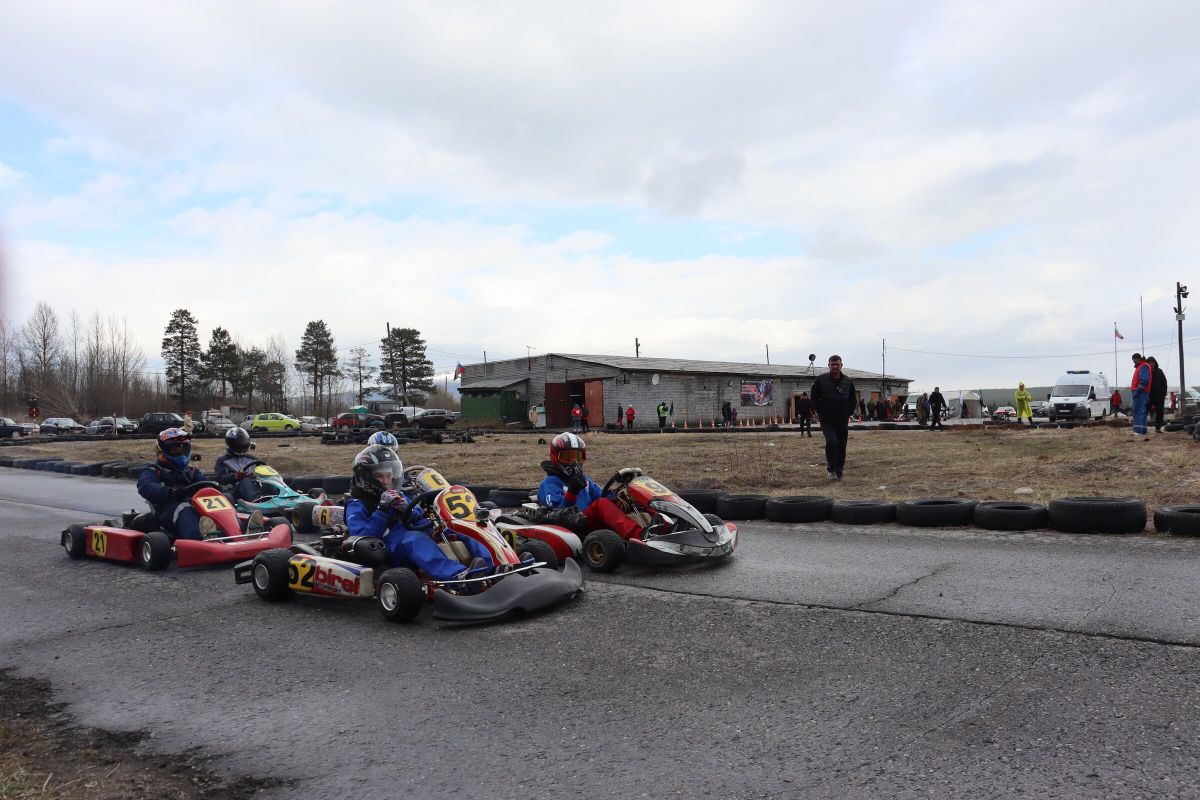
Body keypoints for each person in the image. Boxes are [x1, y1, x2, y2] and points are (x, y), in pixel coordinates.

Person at [344, 445, 492, 580]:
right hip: (389, 549)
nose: (386, 481)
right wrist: (382, 510)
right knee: (414, 539)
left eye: (389, 475)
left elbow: (419, 517)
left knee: (458, 526)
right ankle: (459, 577)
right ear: (366, 478)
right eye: (379, 476)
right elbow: (360, 538)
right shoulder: (357, 504)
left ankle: (492, 566)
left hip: (414, 534)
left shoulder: (398, 495)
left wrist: (412, 512)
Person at [537, 432, 642, 540]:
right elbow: (557, 514)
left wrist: (620, 494)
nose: (574, 462)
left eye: (578, 457)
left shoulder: (585, 481)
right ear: (555, 457)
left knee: (634, 498)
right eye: (568, 457)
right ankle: (639, 536)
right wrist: (572, 492)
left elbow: (603, 496)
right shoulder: (550, 483)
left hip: (587, 522)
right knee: (602, 504)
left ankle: (651, 530)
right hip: (571, 526)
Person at [137, 428, 237, 540]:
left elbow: (204, 483)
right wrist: (171, 492)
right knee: (184, 508)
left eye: (182, 449)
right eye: (175, 449)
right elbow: (146, 487)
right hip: (167, 510)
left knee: (225, 499)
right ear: (162, 450)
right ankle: (204, 539)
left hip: (193, 504)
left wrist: (214, 488)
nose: (180, 452)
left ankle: (238, 532)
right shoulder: (153, 470)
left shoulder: (191, 472)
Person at [809, 355, 857, 481]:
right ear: (829, 365)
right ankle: (831, 469)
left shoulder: (848, 381)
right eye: (832, 364)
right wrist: (820, 412)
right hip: (827, 420)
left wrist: (848, 413)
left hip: (842, 420)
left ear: (841, 365)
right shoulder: (821, 380)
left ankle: (839, 471)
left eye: (837, 364)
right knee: (832, 442)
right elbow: (813, 397)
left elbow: (853, 400)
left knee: (841, 446)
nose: (835, 366)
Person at [215, 427, 262, 502]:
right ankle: (258, 502)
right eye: (239, 443)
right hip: (235, 490)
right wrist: (235, 476)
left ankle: (279, 498)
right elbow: (219, 479)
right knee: (245, 480)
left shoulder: (254, 459)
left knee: (268, 480)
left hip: (255, 486)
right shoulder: (223, 461)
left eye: (243, 442)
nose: (241, 445)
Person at [1130, 353, 1152, 437]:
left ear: (1139, 359)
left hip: (1140, 393)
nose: (1134, 362)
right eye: (1133, 360)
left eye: (1135, 360)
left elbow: (1144, 381)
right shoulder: (1142, 366)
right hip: (1143, 392)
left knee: (1138, 411)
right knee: (1142, 411)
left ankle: (1138, 431)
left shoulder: (1143, 366)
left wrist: (1137, 392)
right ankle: (1142, 430)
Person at [1148, 356, 1168, 433]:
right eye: (1149, 363)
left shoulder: (1159, 371)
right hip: (1149, 396)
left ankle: (1158, 428)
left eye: (1152, 362)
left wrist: (1164, 393)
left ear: (1155, 363)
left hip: (1159, 396)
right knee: (1144, 411)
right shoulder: (1146, 372)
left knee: (1160, 412)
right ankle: (1142, 427)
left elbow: (1164, 382)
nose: (1151, 364)